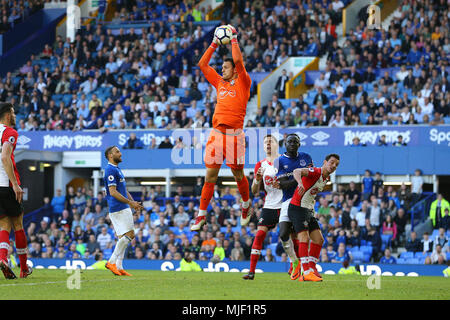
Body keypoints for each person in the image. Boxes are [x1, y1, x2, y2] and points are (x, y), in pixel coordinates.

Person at [191, 25, 252, 231]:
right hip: (217, 135)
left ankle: (245, 205)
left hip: (235, 136)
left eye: (226, 67)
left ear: (234, 70)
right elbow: (202, 64)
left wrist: (233, 39)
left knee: (238, 175)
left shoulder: (243, 81)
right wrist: (214, 43)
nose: (222, 69)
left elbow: (239, 62)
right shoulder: (219, 83)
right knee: (210, 177)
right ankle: (200, 216)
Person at [289, 153, 340, 282]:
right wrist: (300, 183)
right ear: (325, 162)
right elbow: (296, 171)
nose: (333, 166)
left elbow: (311, 193)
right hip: (297, 208)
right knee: (304, 237)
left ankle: (311, 268)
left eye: (336, 165)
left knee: (319, 240)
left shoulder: (325, 179)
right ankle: (305, 272)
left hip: (308, 210)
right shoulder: (315, 171)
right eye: (332, 162)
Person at [274, 134, 313, 280]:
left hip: (304, 201)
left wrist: (295, 179)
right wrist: (300, 179)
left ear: (299, 144)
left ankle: (307, 268)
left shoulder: (306, 157)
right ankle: (294, 260)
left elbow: (312, 176)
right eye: (289, 141)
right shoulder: (279, 161)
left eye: (295, 142)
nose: (292, 143)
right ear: (285, 143)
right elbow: (282, 185)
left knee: (301, 235)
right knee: (283, 233)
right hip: (287, 200)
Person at [243, 134, 282, 280]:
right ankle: (251, 271)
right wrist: (257, 180)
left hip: (285, 203)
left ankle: (294, 267)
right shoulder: (260, 164)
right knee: (259, 234)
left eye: (270, 141)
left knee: (290, 236)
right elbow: (254, 191)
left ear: (277, 144)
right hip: (270, 204)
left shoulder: (284, 160)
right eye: (265, 142)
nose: (268, 144)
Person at [0, 102, 32, 279]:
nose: (15, 115)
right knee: (18, 225)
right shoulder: (9, 132)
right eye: (13, 112)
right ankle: (23, 268)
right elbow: (5, 156)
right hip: (7, 185)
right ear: (6, 115)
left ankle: (3, 259)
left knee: (4, 225)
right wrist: (15, 183)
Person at [103, 146, 144, 276]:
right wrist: (129, 203)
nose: (120, 154)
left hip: (121, 207)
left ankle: (119, 267)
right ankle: (111, 262)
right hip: (119, 207)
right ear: (110, 155)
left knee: (123, 237)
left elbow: (123, 190)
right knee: (130, 234)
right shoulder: (110, 170)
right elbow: (113, 192)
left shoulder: (116, 169)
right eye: (117, 152)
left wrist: (132, 203)